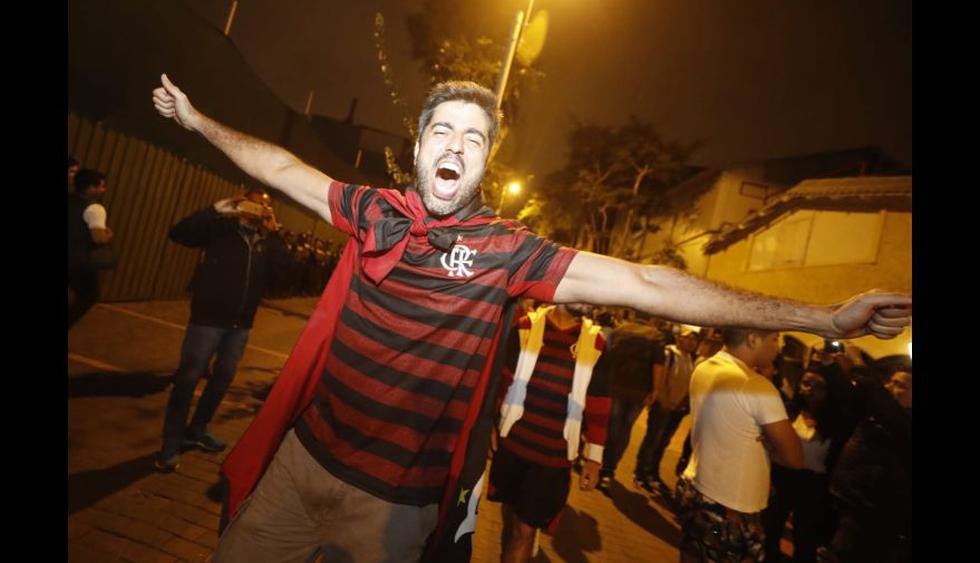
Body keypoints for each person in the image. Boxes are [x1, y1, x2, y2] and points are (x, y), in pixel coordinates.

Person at [151, 74, 911, 562]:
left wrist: (825, 319)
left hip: (392, 512)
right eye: (442, 131)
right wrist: (199, 120)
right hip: (301, 464)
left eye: (473, 138)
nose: (455, 145)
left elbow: (649, 280)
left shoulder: (508, 252)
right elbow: (283, 168)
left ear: (484, 164)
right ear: (418, 148)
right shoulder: (374, 211)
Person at [155, 189, 287, 472]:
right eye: (252, 203)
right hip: (207, 320)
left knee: (223, 378)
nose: (257, 210)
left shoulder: (266, 241)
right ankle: (170, 444)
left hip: (241, 325)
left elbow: (286, 273)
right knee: (188, 379)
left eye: (263, 206)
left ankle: (197, 430)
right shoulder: (219, 229)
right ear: (240, 204)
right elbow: (178, 233)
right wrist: (215, 209)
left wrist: (274, 232)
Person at [489, 303, 610, 562]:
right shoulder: (526, 327)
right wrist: (491, 422)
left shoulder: (597, 343)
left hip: (553, 454)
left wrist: (594, 458)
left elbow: (599, 402)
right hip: (512, 442)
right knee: (510, 515)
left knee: (525, 528)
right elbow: (504, 378)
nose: (587, 299)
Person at [676, 328, 804, 562]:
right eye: (775, 338)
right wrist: (771, 447)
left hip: (697, 487)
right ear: (753, 339)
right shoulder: (755, 386)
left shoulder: (706, 366)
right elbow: (794, 457)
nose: (778, 347)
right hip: (730, 506)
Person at [822, 369, 912, 563]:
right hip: (849, 500)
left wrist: (859, 366)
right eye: (890, 381)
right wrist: (830, 366)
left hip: (872, 511)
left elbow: (885, 406)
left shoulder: (902, 422)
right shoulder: (880, 414)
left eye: (900, 385)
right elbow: (847, 394)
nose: (889, 387)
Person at [762, 368, 849, 562]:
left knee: (805, 536)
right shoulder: (788, 411)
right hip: (782, 476)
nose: (810, 390)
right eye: (806, 383)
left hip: (813, 484)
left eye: (818, 386)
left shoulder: (836, 422)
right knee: (772, 527)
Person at [598, 314, 665, 494]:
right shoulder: (655, 336)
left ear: (634, 315)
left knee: (611, 426)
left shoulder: (619, 331)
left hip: (615, 386)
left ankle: (598, 462)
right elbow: (658, 365)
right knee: (625, 429)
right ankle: (608, 470)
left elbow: (605, 355)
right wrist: (655, 390)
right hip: (639, 392)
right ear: (650, 318)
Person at [634, 326, 699, 493]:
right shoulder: (668, 354)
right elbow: (661, 380)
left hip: (677, 409)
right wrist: (663, 401)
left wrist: (682, 404)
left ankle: (652, 473)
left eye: (694, 339)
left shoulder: (691, 358)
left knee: (663, 442)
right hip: (663, 406)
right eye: (688, 338)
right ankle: (640, 473)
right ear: (679, 338)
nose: (691, 342)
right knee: (653, 439)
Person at [68, 168, 113, 328]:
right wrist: (108, 234)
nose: (103, 190)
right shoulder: (95, 209)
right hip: (77, 262)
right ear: (90, 188)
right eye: (100, 186)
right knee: (88, 295)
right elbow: (98, 238)